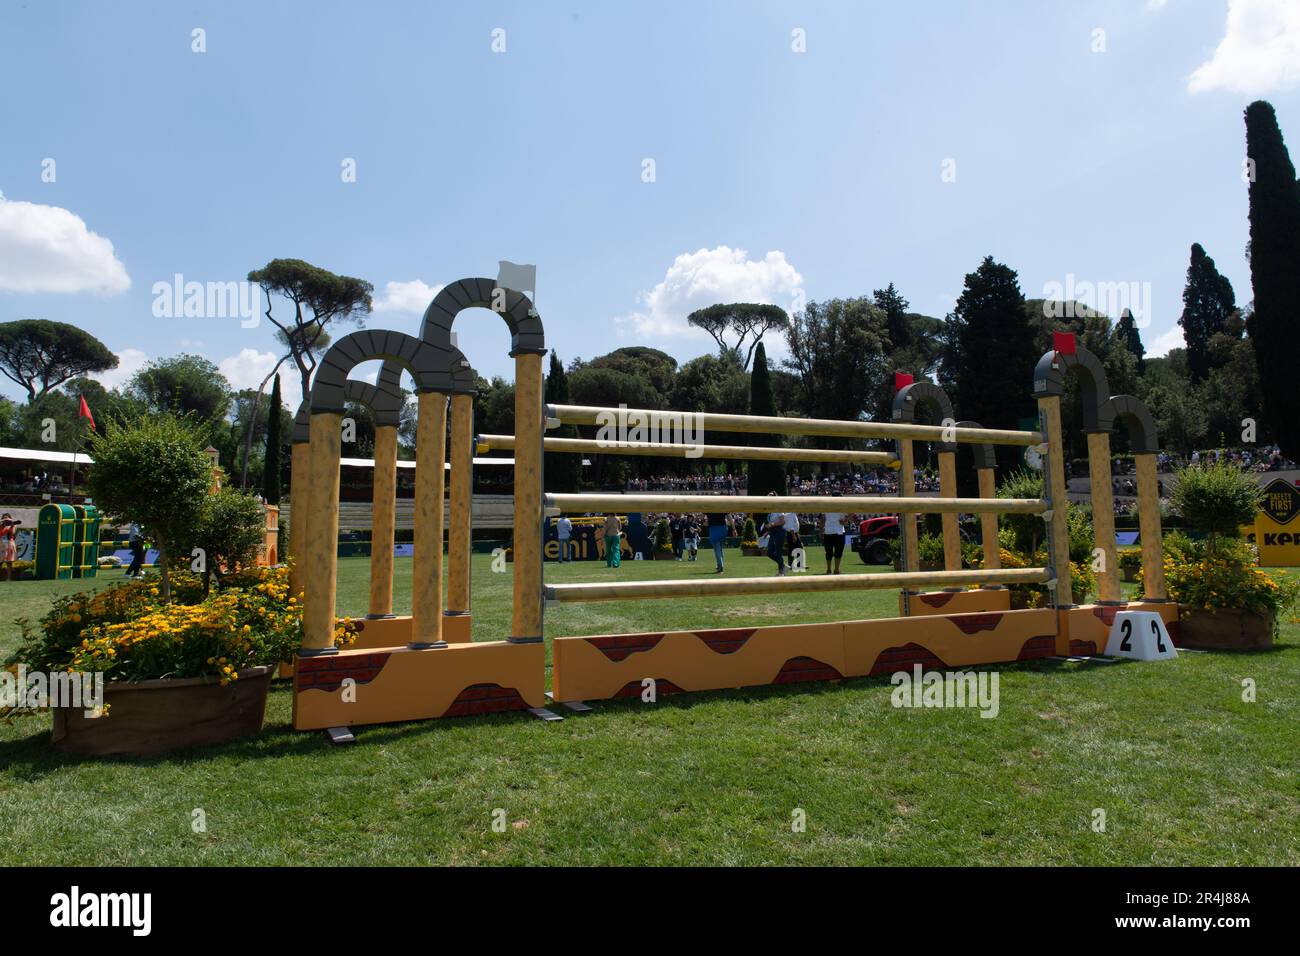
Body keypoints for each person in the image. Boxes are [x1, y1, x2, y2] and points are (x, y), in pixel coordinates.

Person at [761, 493, 787, 576]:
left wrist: (772, 524)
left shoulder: (778, 508)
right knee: (769, 553)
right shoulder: (771, 510)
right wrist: (768, 532)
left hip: (780, 532)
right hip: (773, 532)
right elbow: (772, 523)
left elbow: (782, 521)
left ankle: (781, 572)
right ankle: (783, 566)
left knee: (778, 552)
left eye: (769, 497)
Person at [821, 494, 847, 575]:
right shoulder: (843, 505)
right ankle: (836, 569)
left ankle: (829, 569)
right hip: (839, 531)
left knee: (828, 552)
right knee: (838, 552)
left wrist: (821, 529)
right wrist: (846, 521)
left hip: (828, 531)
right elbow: (852, 513)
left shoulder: (827, 505)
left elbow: (823, 518)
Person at [0, 513, 20, 581]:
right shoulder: (1, 526)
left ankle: (9, 578)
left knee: (9, 562)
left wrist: (11, 525)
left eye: (7, 518)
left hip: (9, 544)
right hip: (1, 544)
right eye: (4, 519)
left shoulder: (13, 525)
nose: (6, 520)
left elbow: (13, 533)